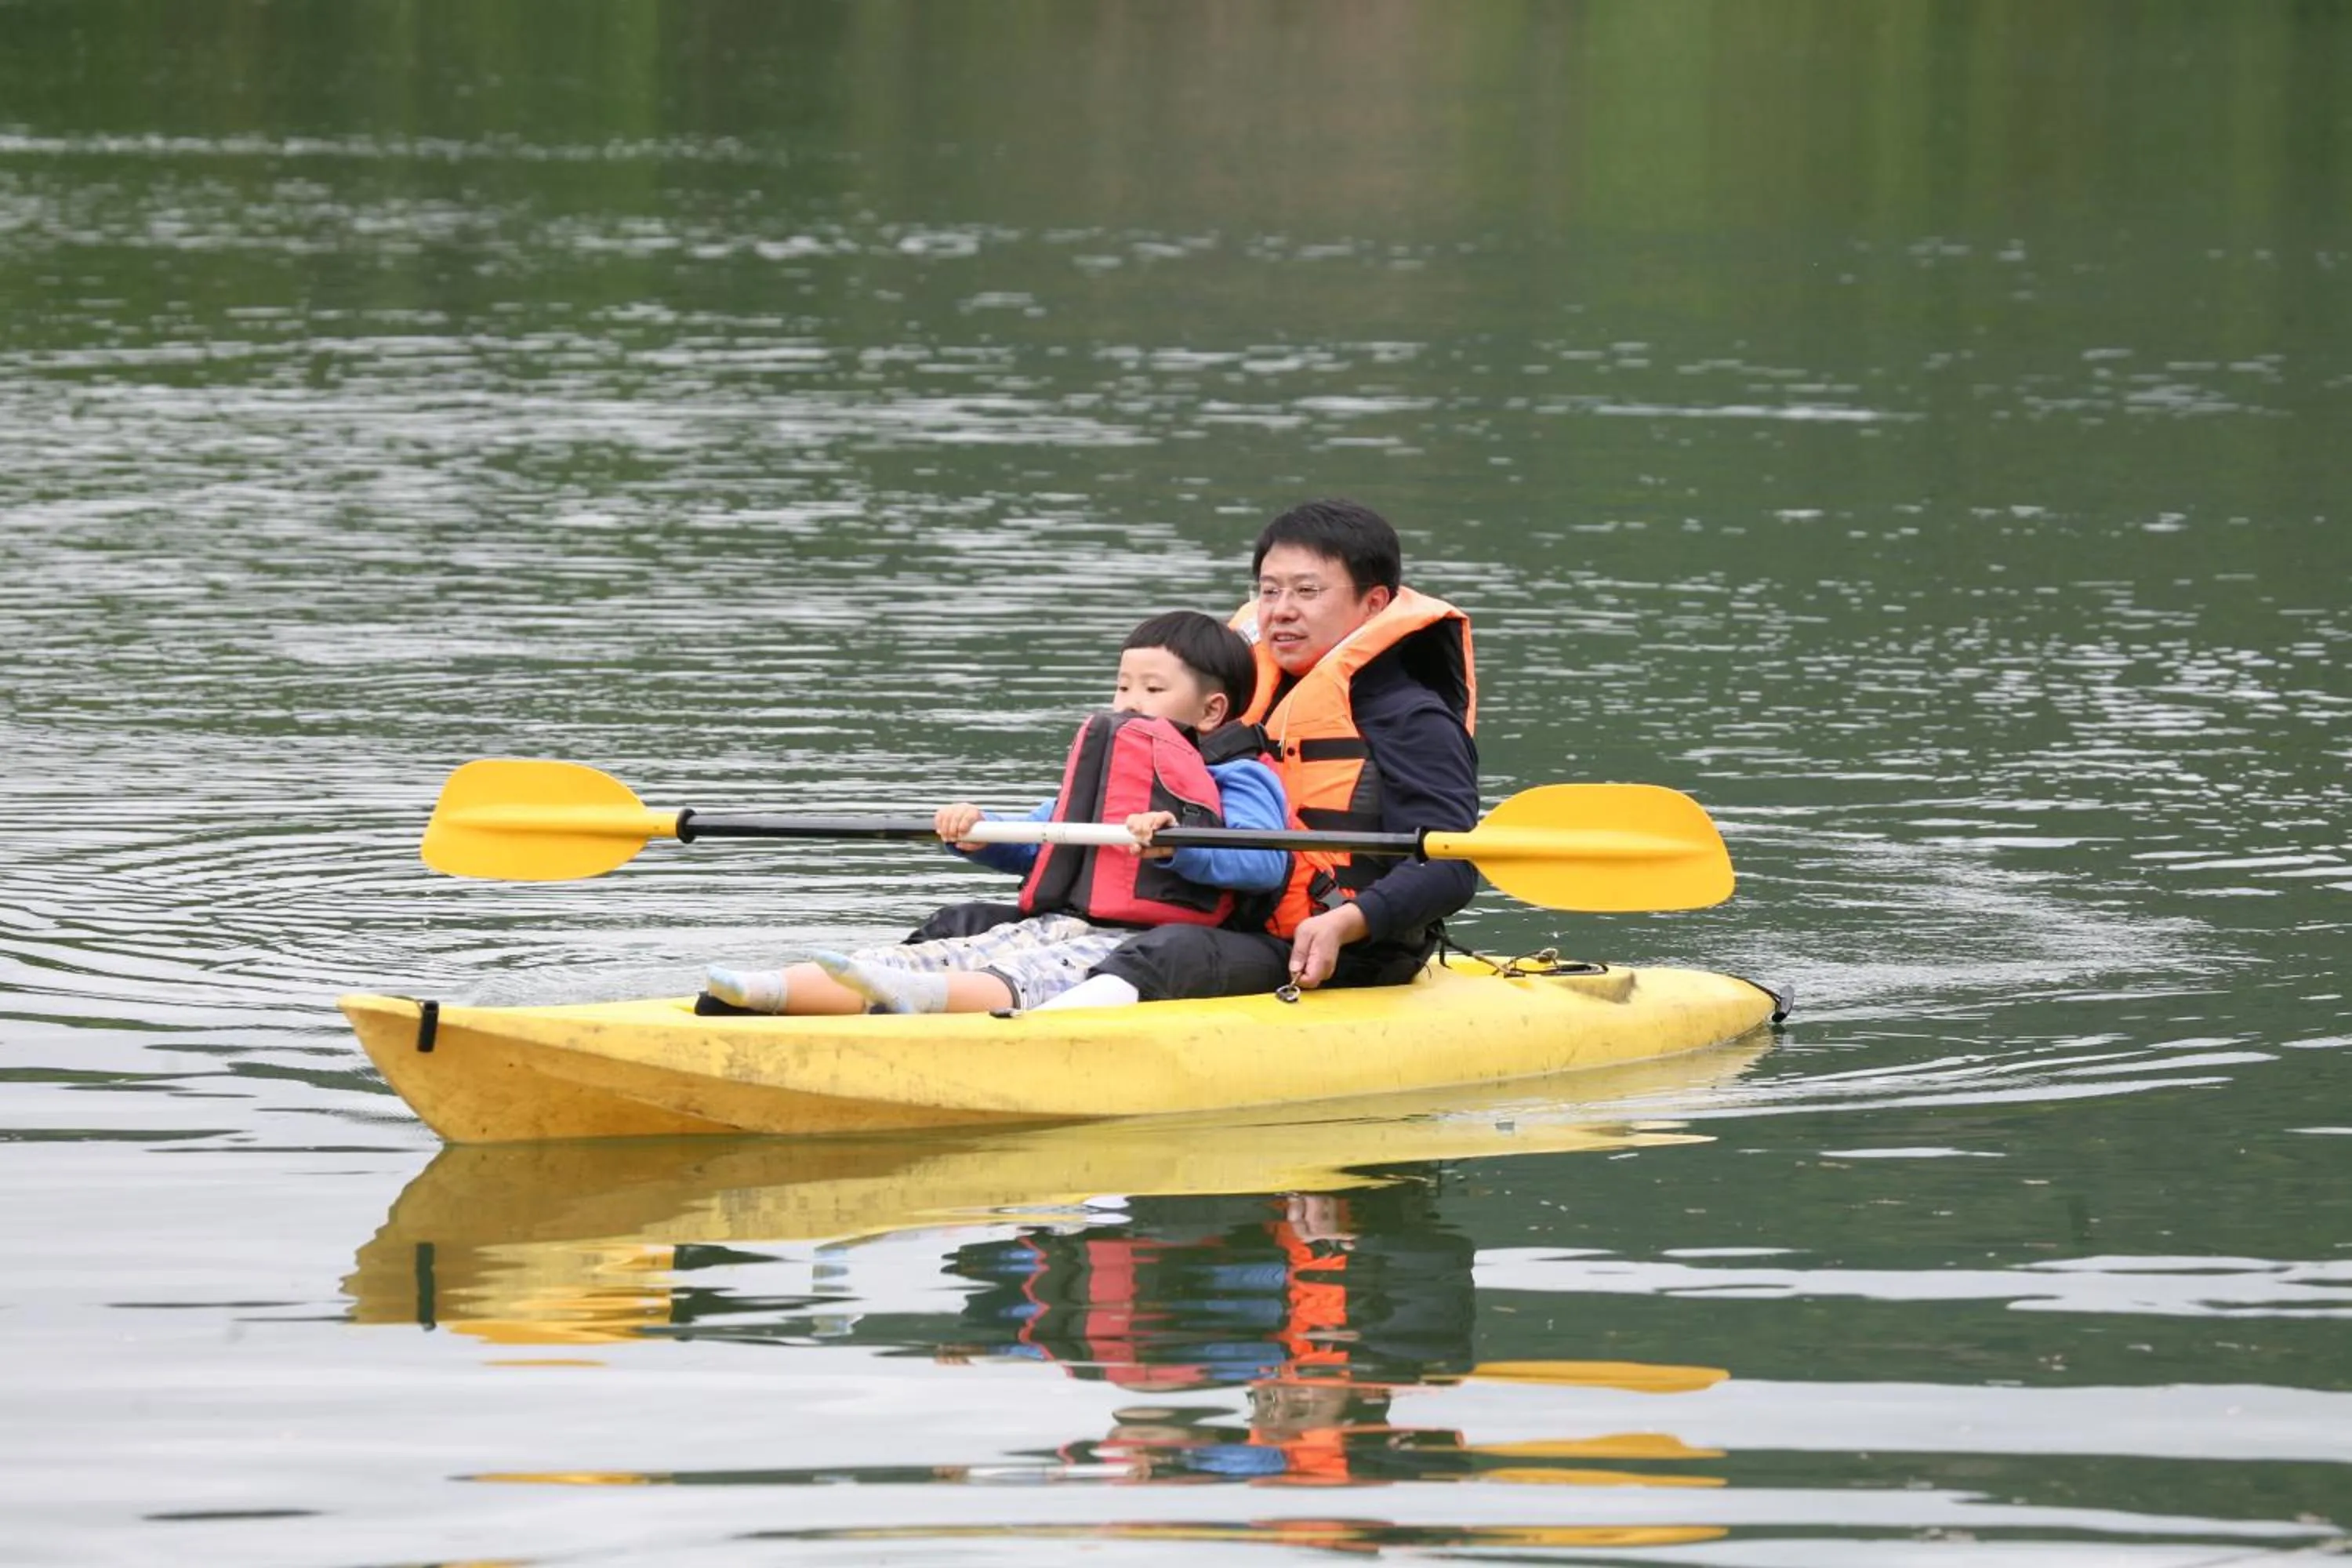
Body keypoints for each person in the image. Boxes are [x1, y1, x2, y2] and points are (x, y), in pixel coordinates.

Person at [700, 611, 1289, 1016]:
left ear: (1211, 711)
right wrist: (978, 835)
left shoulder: (1238, 775)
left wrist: (1178, 843)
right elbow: (1041, 841)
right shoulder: (1112, 766)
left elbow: (1263, 864)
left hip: (1145, 943)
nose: (1129, 704)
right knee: (951, 945)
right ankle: (773, 990)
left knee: (1035, 969)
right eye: (1122, 687)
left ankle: (925, 999)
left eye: (1152, 691)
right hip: (1062, 924)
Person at [1042, 498, 1479, 1009]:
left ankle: (1021, 1038)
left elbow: (1451, 867)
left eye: (1307, 591)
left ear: (1374, 603)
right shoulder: (1231, 699)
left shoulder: (1412, 719)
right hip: (1216, 917)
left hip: (1344, 951)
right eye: (1270, 591)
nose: (1281, 609)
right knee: (971, 919)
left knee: (1168, 954)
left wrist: (1346, 922)